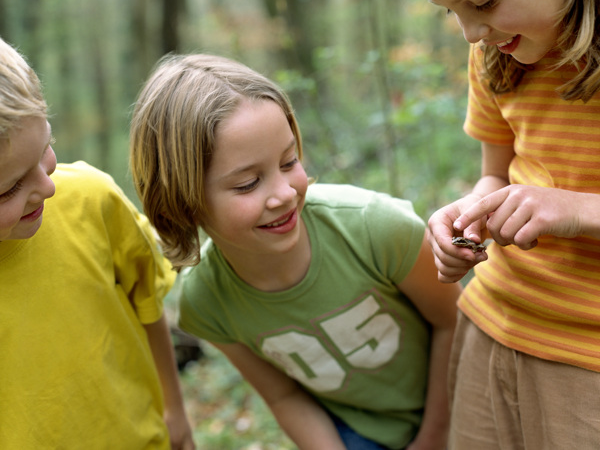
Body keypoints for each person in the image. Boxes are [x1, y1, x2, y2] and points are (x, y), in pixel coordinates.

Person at [129, 52, 461, 450]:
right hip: (356, 433)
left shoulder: (377, 228)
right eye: (248, 183)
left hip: (459, 402)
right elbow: (283, 396)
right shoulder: (205, 303)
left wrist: (435, 437)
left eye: (289, 162)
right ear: (183, 201)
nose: (285, 194)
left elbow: (453, 323)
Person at [403, 0, 600, 448]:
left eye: (485, 2)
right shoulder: (497, 54)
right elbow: (498, 173)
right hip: (491, 328)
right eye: (452, 12)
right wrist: (473, 212)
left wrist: (577, 209)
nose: (471, 33)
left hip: (586, 361)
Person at [0, 37, 195, 449]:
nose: (47, 187)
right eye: (10, 188)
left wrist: (175, 412)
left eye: (46, 149)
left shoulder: (93, 200)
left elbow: (148, 302)